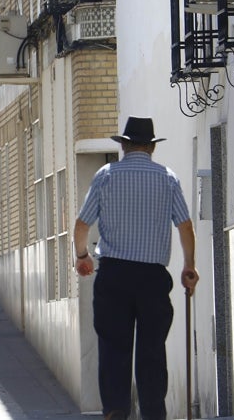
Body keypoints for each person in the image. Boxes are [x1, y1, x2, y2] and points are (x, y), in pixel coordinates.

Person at [74, 116, 198, 420]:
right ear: (152, 147)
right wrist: (188, 267)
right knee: (151, 352)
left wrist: (82, 256)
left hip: (114, 275)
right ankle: (153, 413)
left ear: (125, 145)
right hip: (153, 279)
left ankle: (116, 411)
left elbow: (81, 225)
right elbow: (184, 226)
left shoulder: (106, 175)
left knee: (114, 350)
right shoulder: (167, 178)